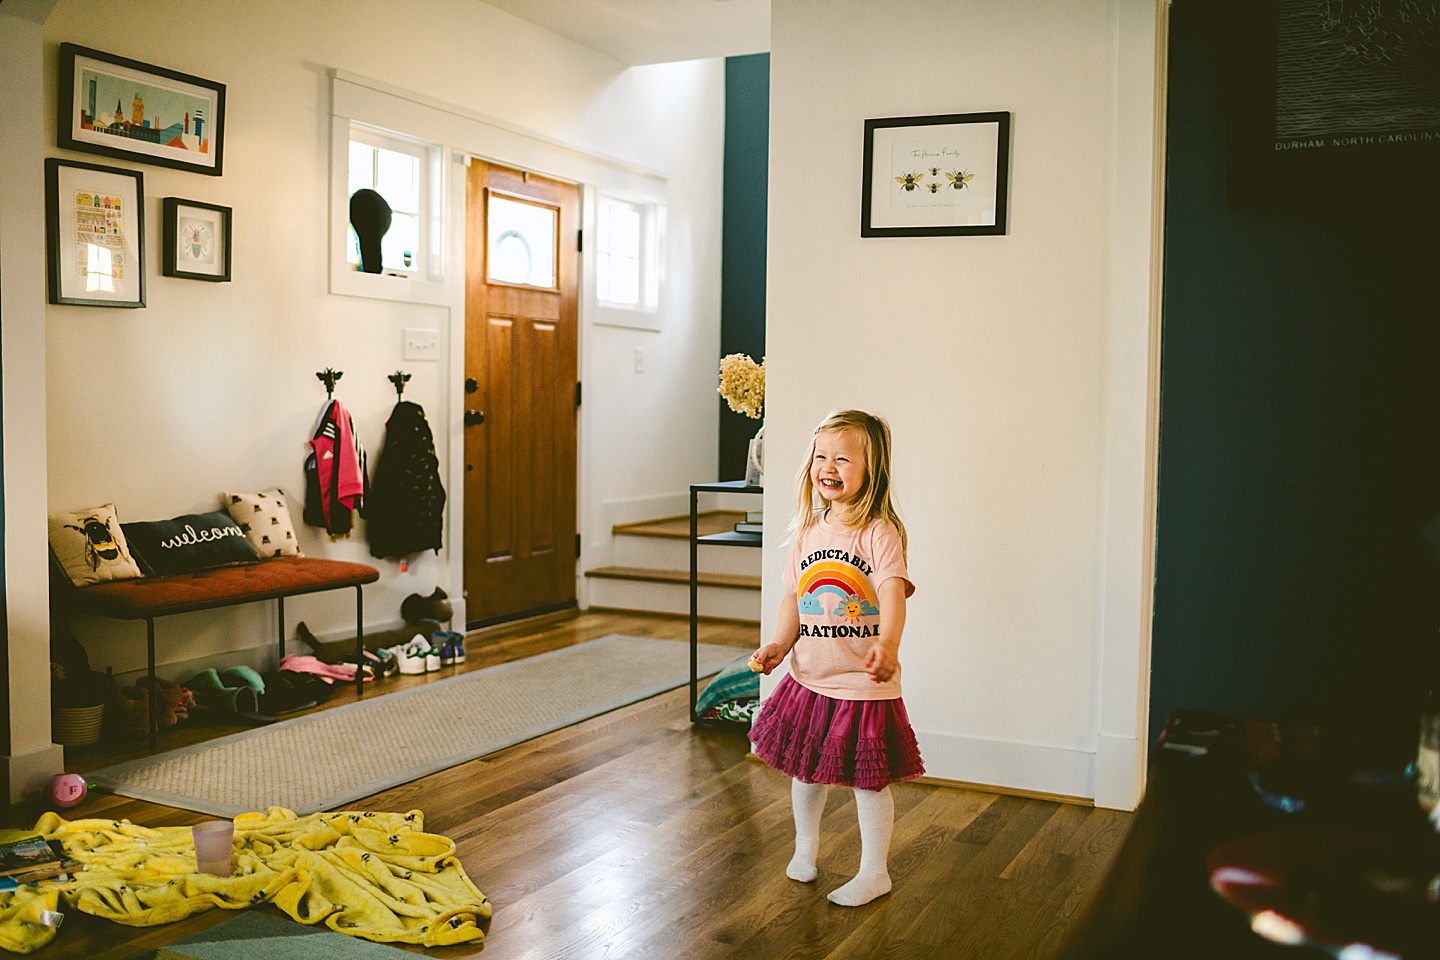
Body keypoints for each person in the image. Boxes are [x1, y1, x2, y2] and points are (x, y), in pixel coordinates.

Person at [748, 409, 924, 907]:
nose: (829, 466)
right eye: (821, 456)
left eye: (843, 458)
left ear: (872, 470)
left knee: (868, 783)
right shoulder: (808, 530)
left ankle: (875, 872)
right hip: (811, 677)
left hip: (861, 682)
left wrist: (887, 645)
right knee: (806, 771)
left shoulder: (879, 533)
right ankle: (806, 849)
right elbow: (793, 598)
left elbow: (892, 593)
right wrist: (780, 646)